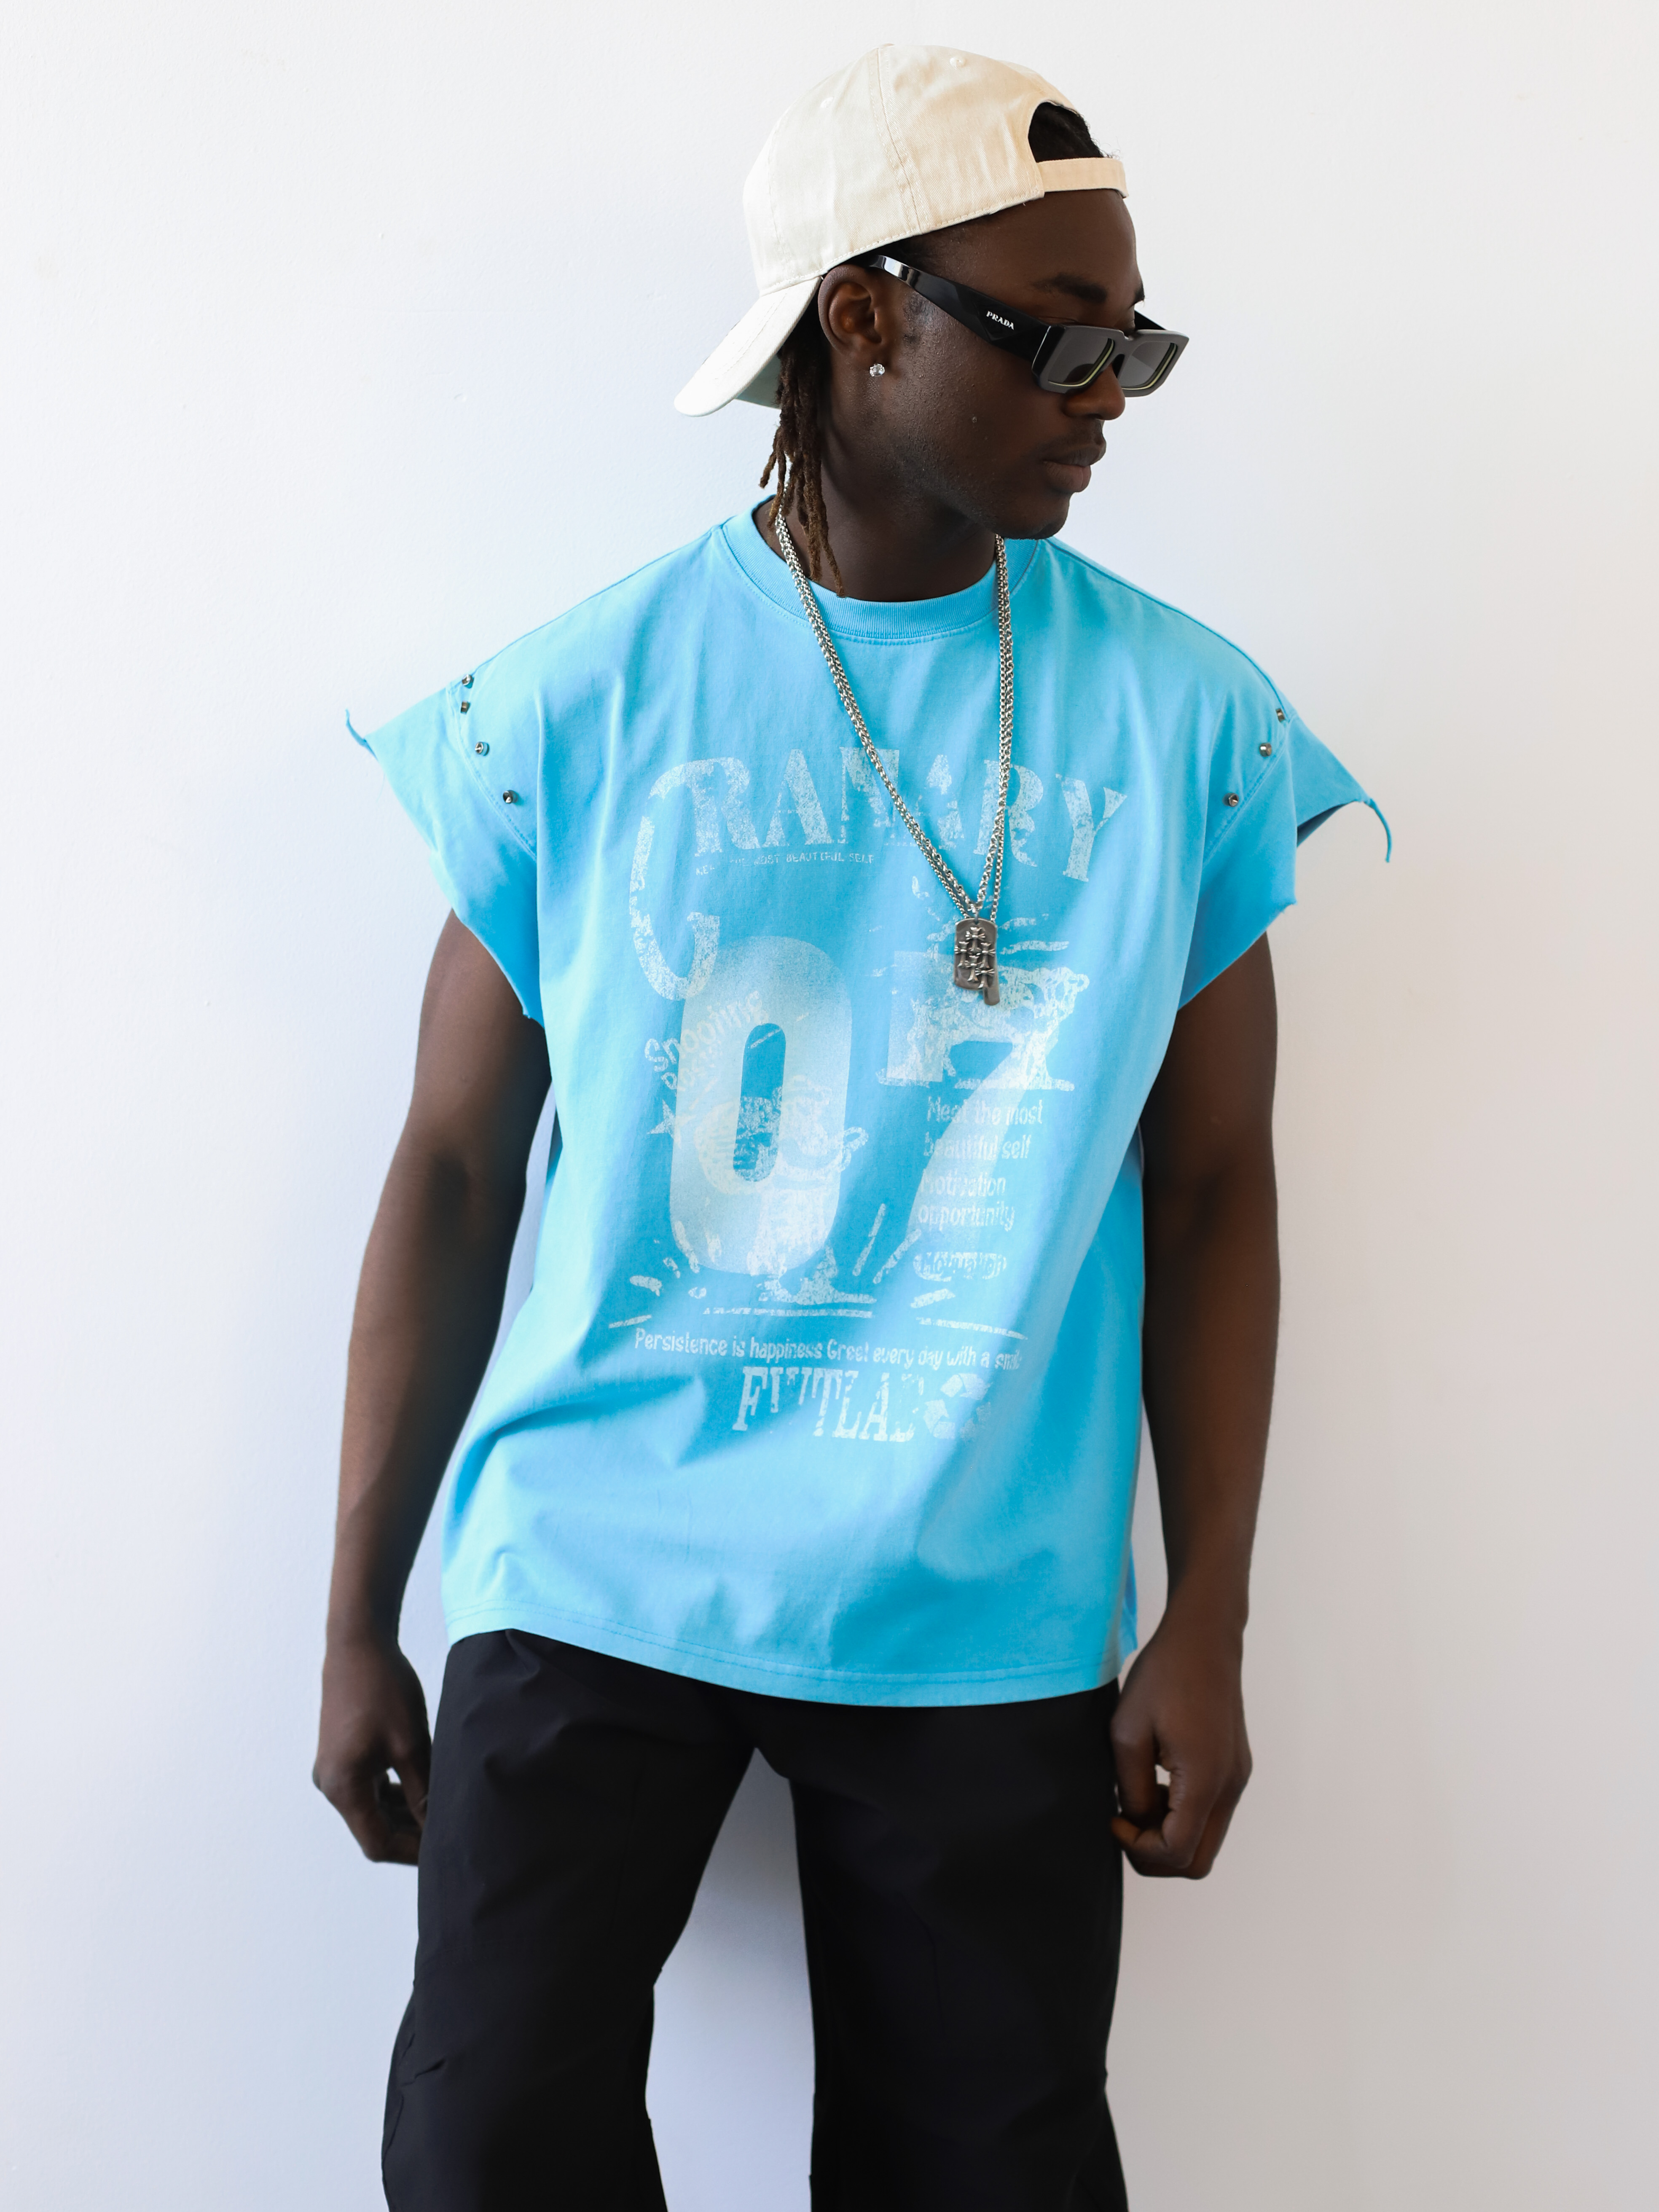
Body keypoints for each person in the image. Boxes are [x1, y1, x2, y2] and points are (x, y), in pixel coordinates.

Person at [314, 43, 1384, 2212]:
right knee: (485, 2145)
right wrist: (359, 1610)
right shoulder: (580, 701)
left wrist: (1211, 1609)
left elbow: (1213, 1186)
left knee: (989, 2173)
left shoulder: (1188, 723)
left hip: (979, 1577)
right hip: (598, 1553)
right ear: (865, 317)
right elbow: (448, 1164)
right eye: (1063, 339)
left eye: (1137, 345)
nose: (1109, 398)